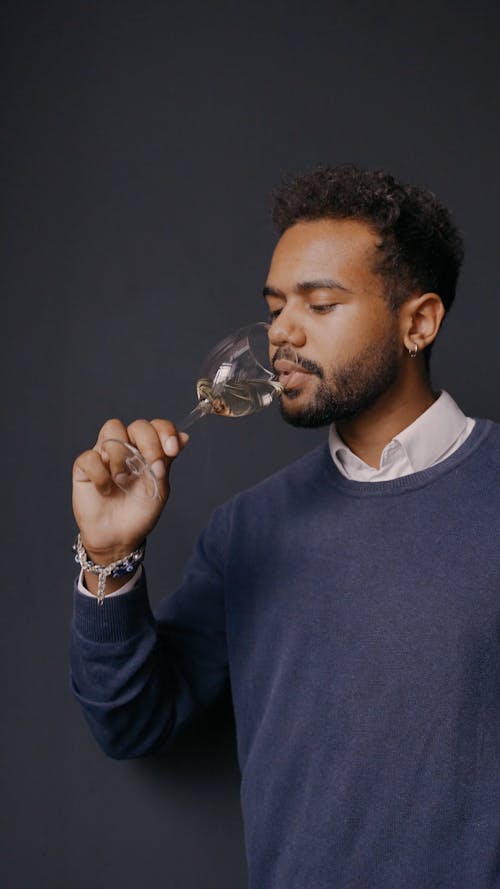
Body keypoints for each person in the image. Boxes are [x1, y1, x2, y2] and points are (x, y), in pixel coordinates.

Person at [70, 165, 499, 889]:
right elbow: (131, 724)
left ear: (418, 322)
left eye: (321, 304)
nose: (281, 334)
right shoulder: (246, 530)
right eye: (274, 308)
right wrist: (109, 554)